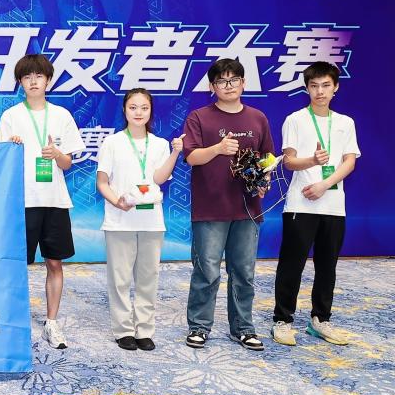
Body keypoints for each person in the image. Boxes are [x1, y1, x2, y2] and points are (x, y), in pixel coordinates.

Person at [182, 58, 274, 351]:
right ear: (212, 87)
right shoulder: (199, 117)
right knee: (207, 271)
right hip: (210, 207)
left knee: (244, 272)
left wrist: (264, 178)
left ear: (244, 83)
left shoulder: (257, 118)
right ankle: (199, 326)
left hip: (247, 208)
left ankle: (243, 328)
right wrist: (218, 148)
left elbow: (267, 158)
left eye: (234, 80)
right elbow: (191, 156)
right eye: (221, 81)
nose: (228, 85)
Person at [0, 54, 84, 349]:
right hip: (21, 201)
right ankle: (12, 321)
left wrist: (56, 155)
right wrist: (12, 148)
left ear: (48, 80)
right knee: (15, 265)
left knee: (54, 262)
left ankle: (52, 322)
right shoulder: (11, 116)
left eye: (39, 76)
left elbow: (68, 163)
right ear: (20, 83)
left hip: (54, 200)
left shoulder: (61, 115)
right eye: (27, 77)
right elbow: (2, 161)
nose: (33, 82)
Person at [272, 62, 359, 347]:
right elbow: (289, 161)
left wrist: (324, 183)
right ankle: (282, 320)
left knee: (327, 266)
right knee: (291, 264)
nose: (320, 91)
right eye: (314, 86)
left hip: (333, 205)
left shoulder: (345, 122)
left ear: (336, 87)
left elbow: (349, 161)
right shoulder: (295, 119)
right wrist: (312, 161)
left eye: (325, 85)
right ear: (306, 88)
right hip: (301, 204)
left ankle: (321, 319)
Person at [96, 89, 184, 351]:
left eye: (144, 108)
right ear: (124, 110)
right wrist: (117, 202)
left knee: (148, 277)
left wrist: (175, 153)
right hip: (119, 219)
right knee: (120, 279)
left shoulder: (159, 144)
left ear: (150, 111)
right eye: (133, 107)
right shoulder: (112, 142)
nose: (138, 112)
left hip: (151, 221)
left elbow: (158, 179)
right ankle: (123, 330)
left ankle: (144, 329)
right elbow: (102, 182)